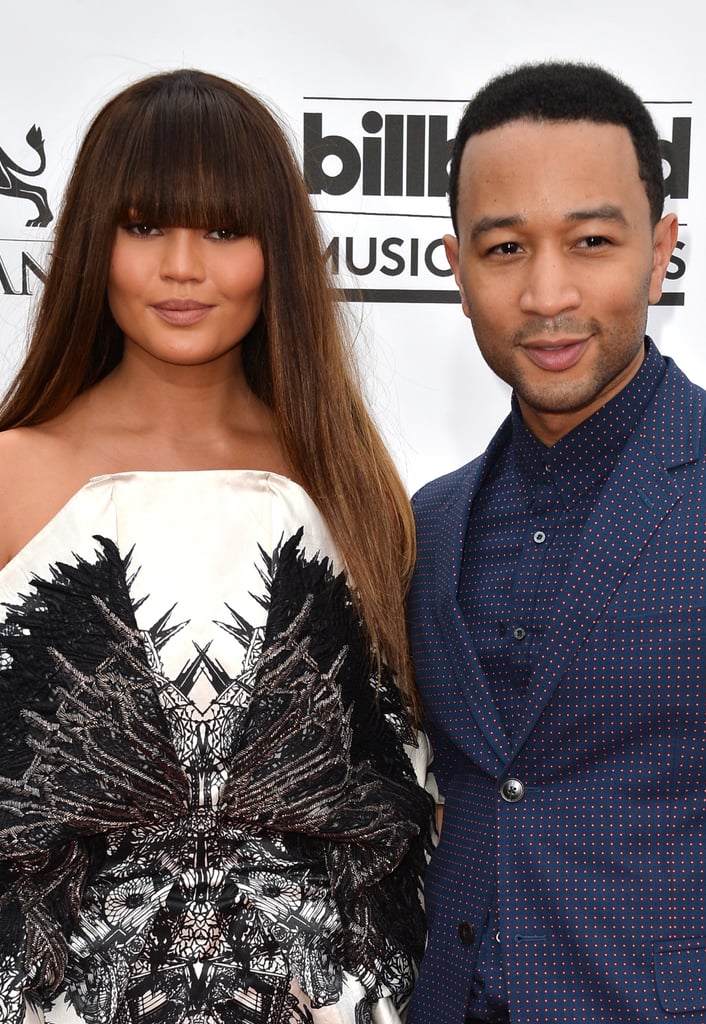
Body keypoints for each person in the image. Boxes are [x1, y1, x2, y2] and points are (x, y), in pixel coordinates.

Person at [0, 69, 436, 1024]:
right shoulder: (13, 473)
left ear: (276, 252)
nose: (183, 268)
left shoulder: (355, 487)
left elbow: (404, 798)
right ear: (90, 243)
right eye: (146, 226)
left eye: (225, 231)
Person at [406, 60, 704, 1024]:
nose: (546, 293)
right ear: (455, 271)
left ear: (661, 251)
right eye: (503, 249)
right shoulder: (427, 523)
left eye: (589, 242)